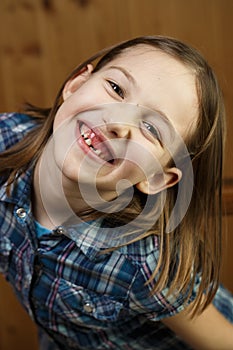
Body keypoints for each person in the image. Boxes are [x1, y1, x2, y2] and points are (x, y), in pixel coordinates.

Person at [0, 35, 232, 350]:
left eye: (152, 129)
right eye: (117, 89)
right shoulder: (5, 142)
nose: (118, 123)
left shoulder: (142, 260)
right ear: (76, 83)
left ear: (156, 177)